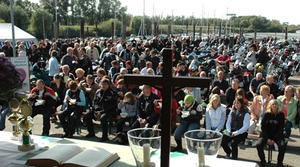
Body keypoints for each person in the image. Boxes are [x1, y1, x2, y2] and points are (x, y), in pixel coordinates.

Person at [256, 100, 286, 167]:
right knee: (258, 145)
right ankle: (263, 161)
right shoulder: (266, 114)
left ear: (278, 106)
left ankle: (279, 163)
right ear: (270, 105)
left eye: (276, 104)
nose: (274, 106)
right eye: (273, 104)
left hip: (277, 135)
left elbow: (281, 128)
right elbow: (263, 127)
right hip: (266, 135)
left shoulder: (281, 114)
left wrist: (273, 139)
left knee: (282, 146)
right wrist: (268, 139)